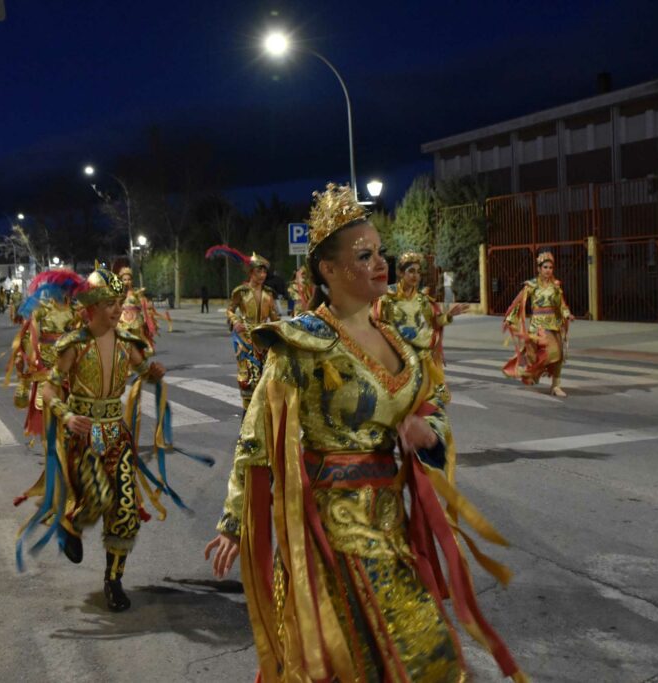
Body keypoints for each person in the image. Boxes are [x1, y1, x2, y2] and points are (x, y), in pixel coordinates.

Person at [204, 183, 525, 682]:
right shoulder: (302, 344)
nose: (381, 263)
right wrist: (233, 520)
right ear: (327, 271)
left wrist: (427, 431)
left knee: (406, 660)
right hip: (331, 534)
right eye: (364, 255)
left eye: (381, 252)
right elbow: (257, 437)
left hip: (391, 525)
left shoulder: (399, 341)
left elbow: (432, 404)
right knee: (405, 656)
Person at [14, 264, 173, 613]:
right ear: (92, 308)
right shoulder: (75, 345)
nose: (118, 309)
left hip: (116, 434)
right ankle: (70, 522)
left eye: (119, 302)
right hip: (83, 439)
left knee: (126, 510)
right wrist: (68, 416)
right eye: (110, 303)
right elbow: (51, 388)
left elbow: (144, 370)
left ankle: (113, 580)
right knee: (99, 498)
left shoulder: (127, 344)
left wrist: (153, 373)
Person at [7, 270, 81, 440]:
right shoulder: (42, 309)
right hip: (47, 363)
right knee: (46, 402)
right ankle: (51, 444)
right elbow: (29, 335)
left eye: (67, 288)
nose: (64, 291)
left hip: (72, 362)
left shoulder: (76, 310)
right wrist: (29, 359)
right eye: (61, 287)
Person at [374, 251, 470, 368]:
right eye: (411, 271)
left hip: (421, 353)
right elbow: (376, 325)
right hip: (396, 356)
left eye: (418, 272)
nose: (415, 276)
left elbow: (434, 322)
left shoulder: (423, 300)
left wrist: (449, 315)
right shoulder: (387, 297)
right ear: (400, 273)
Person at [502, 250, 575, 397]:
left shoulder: (556, 285)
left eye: (550, 267)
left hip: (553, 324)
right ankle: (529, 371)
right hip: (538, 327)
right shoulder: (532, 285)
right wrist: (510, 318)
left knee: (558, 355)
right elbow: (518, 302)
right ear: (539, 269)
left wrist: (567, 314)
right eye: (545, 267)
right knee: (546, 354)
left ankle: (556, 386)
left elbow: (561, 305)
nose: (548, 270)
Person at [226, 252, 279, 409]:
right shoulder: (241, 292)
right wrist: (235, 322)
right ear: (251, 273)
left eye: (264, 272)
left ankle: (261, 415)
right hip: (245, 338)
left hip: (263, 337)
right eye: (258, 272)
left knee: (266, 377)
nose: (262, 275)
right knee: (247, 378)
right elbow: (230, 310)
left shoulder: (268, 294)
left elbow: (275, 318)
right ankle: (247, 413)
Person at [117, 266, 164, 357]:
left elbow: (145, 304)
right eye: (125, 279)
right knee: (123, 340)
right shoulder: (118, 293)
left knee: (139, 337)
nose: (127, 281)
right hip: (122, 320)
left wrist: (148, 309)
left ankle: (144, 351)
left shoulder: (137, 292)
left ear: (132, 280)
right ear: (121, 281)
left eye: (129, 279)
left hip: (136, 319)